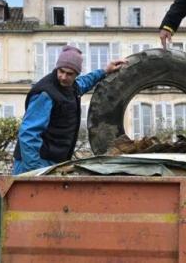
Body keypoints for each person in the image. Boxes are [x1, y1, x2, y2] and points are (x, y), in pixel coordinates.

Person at [13, 45, 126, 174]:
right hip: (34, 162)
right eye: (61, 71)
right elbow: (28, 133)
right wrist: (34, 171)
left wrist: (105, 71)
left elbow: (84, 82)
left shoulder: (71, 87)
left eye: (69, 74)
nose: (63, 77)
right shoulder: (46, 94)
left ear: (76, 74)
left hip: (53, 161)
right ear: (56, 68)